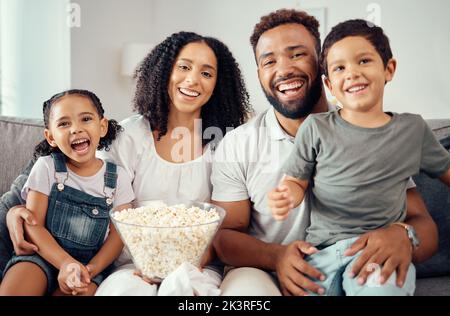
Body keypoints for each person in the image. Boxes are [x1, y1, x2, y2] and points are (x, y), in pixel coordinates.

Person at [0, 31, 252, 295]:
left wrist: (186, 261)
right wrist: (14, 211)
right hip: (130, 265)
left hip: (197, 264)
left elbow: (231, 227)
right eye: (184, 67)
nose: (192, 80)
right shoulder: (130, 135)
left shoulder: (224, 143)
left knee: (183, 289)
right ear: (164, 71)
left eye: (206, 73)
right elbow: (80, 176)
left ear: (218, 84)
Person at [210, 9, 438, 296]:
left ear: (322, 64)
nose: (283, 69)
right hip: (264, 270)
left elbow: (423, 224)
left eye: (296, 54)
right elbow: (224, 236)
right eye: (269, 61)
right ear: (259, 73)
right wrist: (276, 256)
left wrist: (403, 236)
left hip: (355, 263)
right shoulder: (237, 144)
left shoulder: (372, 131)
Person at [267, 19, 450, 295]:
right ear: (329, 83)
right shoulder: (316, 128)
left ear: (389, 69)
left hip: (379, 254)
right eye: (340, 68)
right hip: (322, 256)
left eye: (363, 61)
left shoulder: (413, 130)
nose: (351, 73)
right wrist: (287, 195)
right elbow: (296, 181)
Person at [0, 89, 135, 296]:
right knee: (18, 284)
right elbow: (33, 224)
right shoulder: (46, 167)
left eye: (86, 119)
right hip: (41, 256)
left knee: (83, 290)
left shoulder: (119, 178)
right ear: (51, 137)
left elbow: (119, 237)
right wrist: (65, 263)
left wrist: (89, 270)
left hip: (89, 265)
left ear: (102, 126)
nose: (76, 129)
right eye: (64, 124)